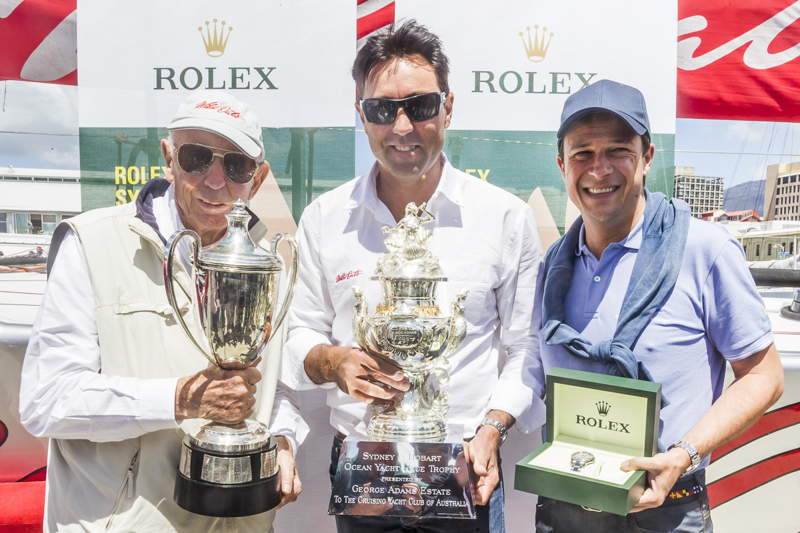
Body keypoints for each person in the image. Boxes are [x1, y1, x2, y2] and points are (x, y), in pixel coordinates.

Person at [280, 20, 545, 532]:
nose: (402, 126)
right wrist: (333, 361)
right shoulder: (324, 218)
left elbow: (526, 346)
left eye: (420, 106)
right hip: (365, 471)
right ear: (362, 115)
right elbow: (299, 333)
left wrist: (492, 430)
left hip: (465, 468)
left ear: (448, 107)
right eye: (383, 109)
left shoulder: (504, 218)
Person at [19, 90, 307, 532]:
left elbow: (280, 388)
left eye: (236, 165)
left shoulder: (270, 265)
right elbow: (46, 399)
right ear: (169, 160)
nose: (216, 180)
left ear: (258, 176)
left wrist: (283, 440)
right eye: (197, 158)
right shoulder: (91, 243)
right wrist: (178, 400)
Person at [533, 79, 784, 532]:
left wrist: (684, 453)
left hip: (668, 510)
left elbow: (764, 376)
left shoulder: (705, 250)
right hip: (564, 504)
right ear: (562, 165)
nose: (599, 169)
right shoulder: (553, 265)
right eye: (583, 154)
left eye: (618, 151)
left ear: (647, 157)